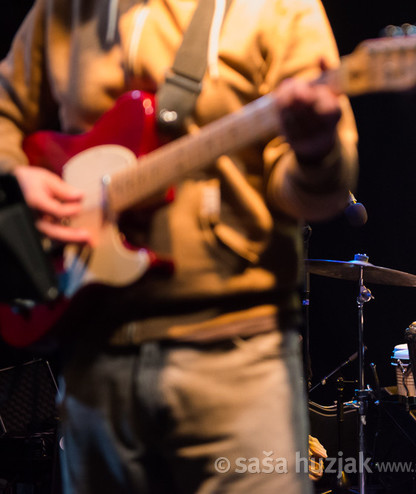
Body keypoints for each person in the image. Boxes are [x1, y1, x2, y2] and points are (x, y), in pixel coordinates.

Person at [0, 1, 358, 493]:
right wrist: (16, 177)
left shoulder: (280, 9)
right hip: (92, 361)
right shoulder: (63, 10)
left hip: (236, 356)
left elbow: (315, 195)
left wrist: (317, 151)